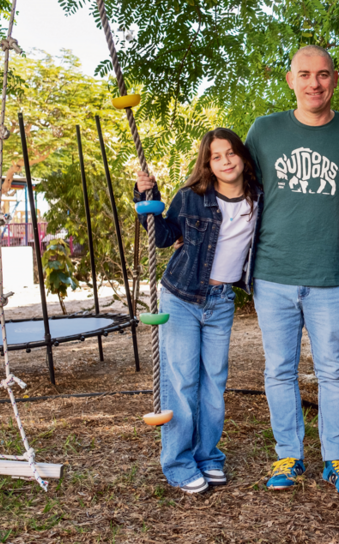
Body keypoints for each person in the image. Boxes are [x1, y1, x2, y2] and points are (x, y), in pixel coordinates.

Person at [244, 45, 339, 495]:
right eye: (304, 74)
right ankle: (288, 454)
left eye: (323, 74)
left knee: (334, 370)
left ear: (335, 79)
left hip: (330, 274)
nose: (314, 83)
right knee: (279, 370)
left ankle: (337, 457)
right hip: (273, 271)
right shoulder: (264, 132)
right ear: (290, 80)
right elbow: (233, 187)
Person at [134, 128, 262, 494]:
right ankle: (178, 462)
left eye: (230, 153)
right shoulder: (192, 197)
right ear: (207, 163)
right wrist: (147, 197)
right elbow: (163, 236)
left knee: (214, 384)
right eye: (215, 156)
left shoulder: (259, 198)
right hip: (181, 297)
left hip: (221, 302)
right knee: (183, 382)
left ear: (243, 156)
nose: (225, 161)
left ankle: (207, 455)